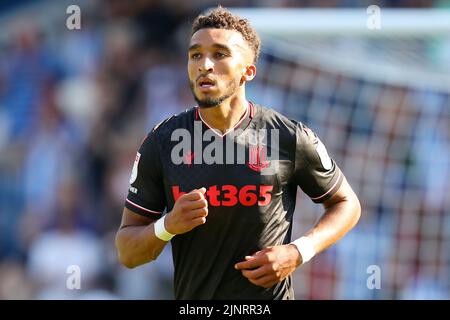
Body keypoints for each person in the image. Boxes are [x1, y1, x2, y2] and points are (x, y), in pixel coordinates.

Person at [115, 6, 361, 300]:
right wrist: (167, 226)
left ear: (248, 71)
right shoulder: (162, 141)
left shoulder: (287, 136)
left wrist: (298, 251)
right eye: (195, 55)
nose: (205, 65)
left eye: (219, 54)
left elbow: (347, 204)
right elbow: (128, 252)